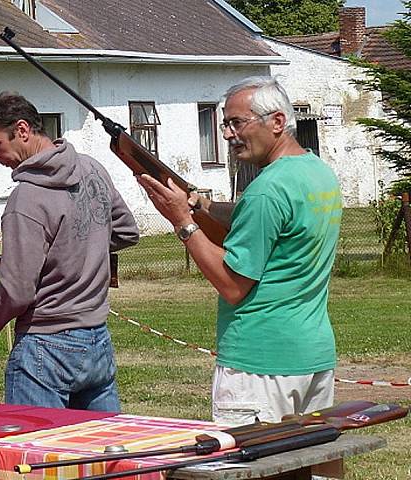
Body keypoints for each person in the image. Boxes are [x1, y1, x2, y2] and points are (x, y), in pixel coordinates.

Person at [138, 76, 341, 425]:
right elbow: (272, 219)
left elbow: (232, 285)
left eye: (237, 123)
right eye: (224, 124)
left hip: (259, 363)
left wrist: (183, 222)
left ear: (277, 122)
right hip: (312, 355)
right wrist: (205, 206)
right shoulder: (317, 173)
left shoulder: (267, 190)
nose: (228, 135)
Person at [0, 92, 140, 412]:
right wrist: (79, 247)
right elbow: (125, 231)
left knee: (37, 459)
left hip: (45, 347)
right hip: (96, 342)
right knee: (102, 457)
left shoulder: (26, 200)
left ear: (22, 130)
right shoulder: (92, 170)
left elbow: (16, 291)